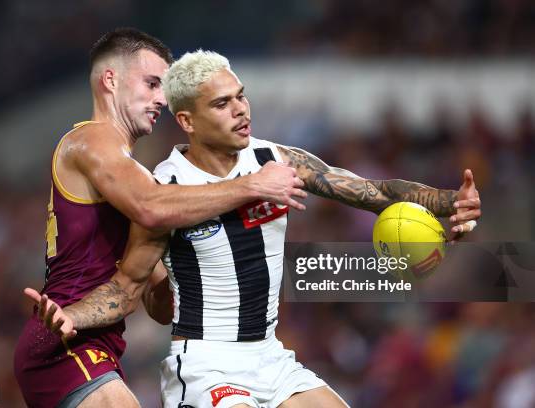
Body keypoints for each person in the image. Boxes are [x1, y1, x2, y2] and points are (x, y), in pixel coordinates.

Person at [33, 50, 481, 407]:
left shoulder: (276, 159)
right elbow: (130, 287)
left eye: (241, 96)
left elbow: (375, 191)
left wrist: (449, 203)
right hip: (208, 366)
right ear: (187, 121)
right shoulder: (167, 188)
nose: (241, 110)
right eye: (222, 104)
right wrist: (71, 315)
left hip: (270, 357)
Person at [14, 30, 307, 408]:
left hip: (90, 340)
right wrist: (254, 185)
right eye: (152, 84)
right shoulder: (92, 140)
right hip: (67, 341)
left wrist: (208, 270)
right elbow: (151, 206)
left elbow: (153, 303)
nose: (161, 99)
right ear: (110, 80)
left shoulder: (130, 175)